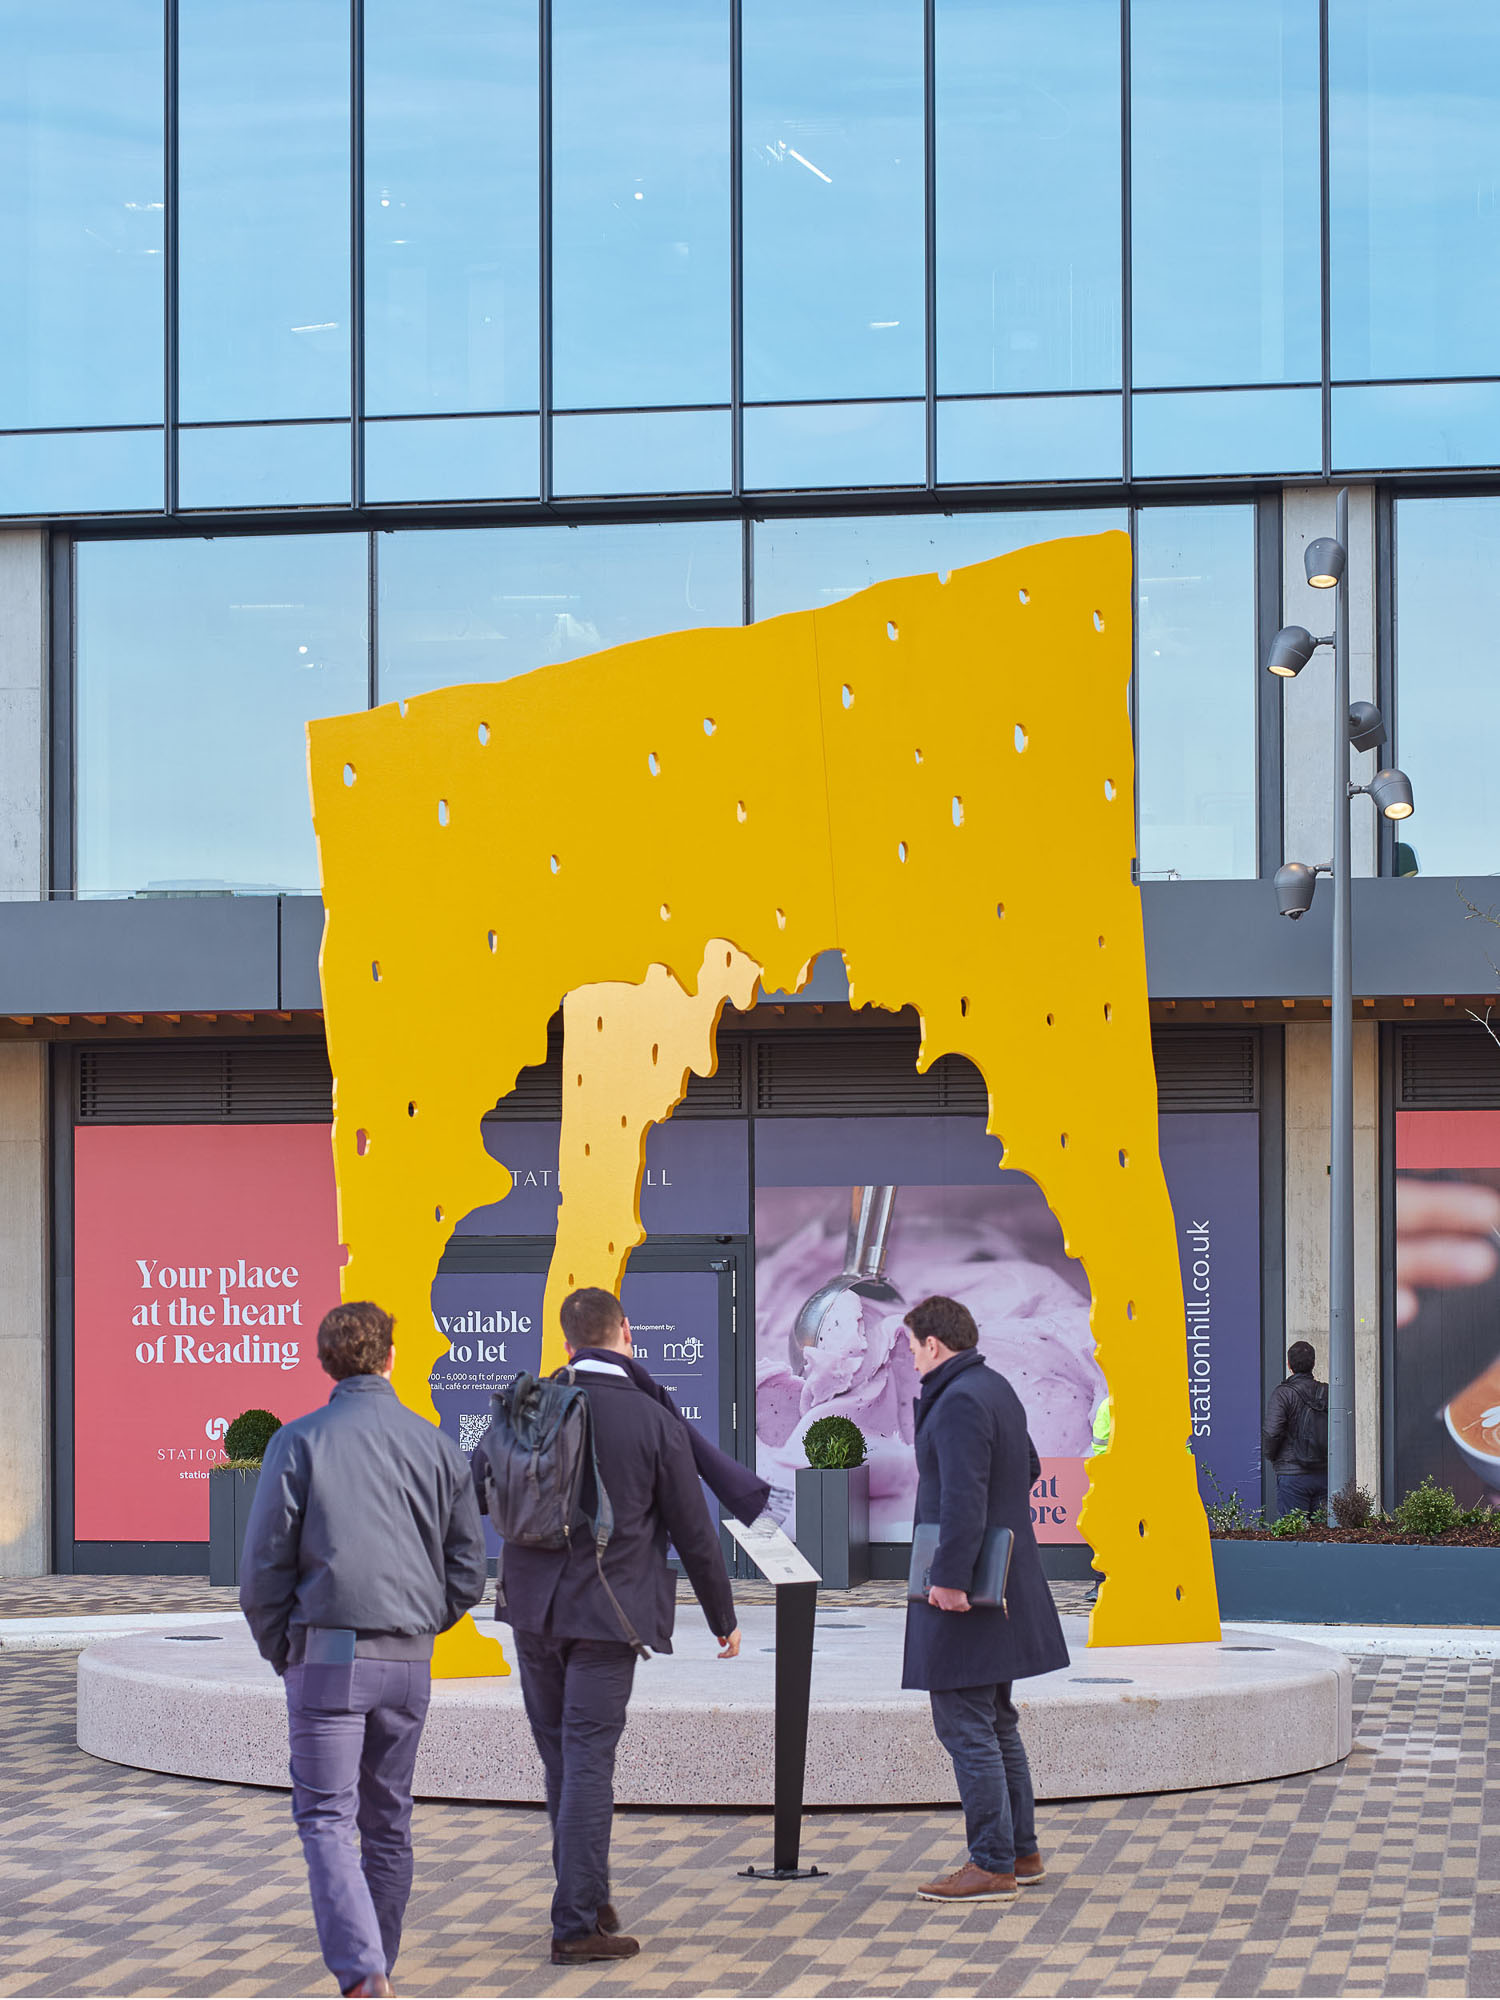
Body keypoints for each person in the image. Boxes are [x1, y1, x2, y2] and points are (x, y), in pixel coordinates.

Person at [479, 1286, 742, 1967]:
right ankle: (575, 1924)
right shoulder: (652, 1419)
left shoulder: (527, 1402)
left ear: (566, 1343)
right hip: (608, 1614)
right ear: (626, 1332)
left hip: (530, 1613)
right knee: (589, 1759)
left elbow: (479, 1486)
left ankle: (589, 1899)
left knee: (563, 1760)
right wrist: (723, 1617)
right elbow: (694, 1530)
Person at [240, 1301, 487, 1999]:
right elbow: (468, 1569)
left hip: (330, 1655)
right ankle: (376, 1965)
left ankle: (364, 1975)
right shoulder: (435, 1444)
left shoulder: (299, 1441)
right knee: (389, 1820)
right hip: (407, 1659)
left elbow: (263, 1569)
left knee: (325, 1818)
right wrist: (420, 1623)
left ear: (325, 1364)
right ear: (390, 1359)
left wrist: (282, 1648)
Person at [900, 1293, 1069, 1904]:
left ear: (934, 1345)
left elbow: (961, 1498)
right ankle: (1021, 1853)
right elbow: (1024, 1466)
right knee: (996, 1720)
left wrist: (948, 1577)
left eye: (912, 1346)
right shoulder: (994, 1386)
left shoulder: (958, 1400)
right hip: (1000, 1584)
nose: (911, 1357)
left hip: (964, 1592)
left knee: (965, 1722)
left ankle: (991, 1864)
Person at [1264, 1340, 1329, 1517]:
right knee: (1324, 1536)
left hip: (1292, 1474)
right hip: (1323, 1472)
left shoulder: (1283, 1393)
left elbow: (1272, 1432)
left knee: (1295, 1536)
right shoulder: (1327, 1392)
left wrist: (1271, 1456)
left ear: (1289, 1365)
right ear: (1313, 1363)